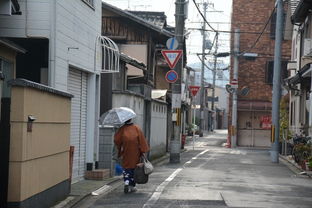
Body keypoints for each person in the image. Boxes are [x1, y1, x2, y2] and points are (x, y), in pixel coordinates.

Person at [114, 119, 149, 193]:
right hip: (135, 153)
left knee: (126, 168)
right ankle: (132, 186)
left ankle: (126, 181)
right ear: (131, 120)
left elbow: (117, 140)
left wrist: (120, 147)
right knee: (134, 169)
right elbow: (142, 140)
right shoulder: (137, 128)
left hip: (126, 152)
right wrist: (143, 151)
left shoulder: (122, 129)